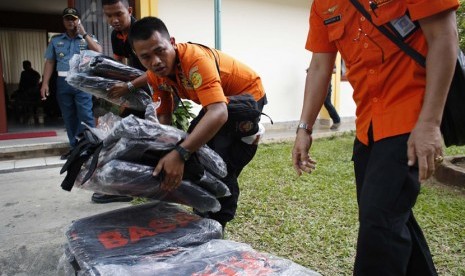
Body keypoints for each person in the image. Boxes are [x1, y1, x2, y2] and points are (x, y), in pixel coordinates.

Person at [292, 1, 459, 275]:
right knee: (389, 221)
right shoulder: (323, 4)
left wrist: (429, 123)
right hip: (368, 129)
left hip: (410, 118)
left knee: (379, 227)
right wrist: (304, 128)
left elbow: (444, 37)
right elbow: (321, 66)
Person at [129, 16, 268, 231]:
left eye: (160, 50)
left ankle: (217, 224)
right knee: (197, 152)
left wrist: (180, 153)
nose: (155, 61)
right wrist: (165, 149)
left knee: (220, 164)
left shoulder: (195, 60)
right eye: (145, 57)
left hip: (246, 98)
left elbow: (219, 113)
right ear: (138, 57)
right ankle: (204, 210)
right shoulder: (155, 76)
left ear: (172, 42)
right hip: (218, 104)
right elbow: (164, 117)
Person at [90, 0, 147, 204]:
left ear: (129, 11)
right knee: (125, 134)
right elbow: (119, 67)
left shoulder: (143, 31)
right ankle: (125, 187)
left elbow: (158, 70)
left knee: (145, 137)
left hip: (157, 91)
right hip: (135, 92)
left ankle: (143, 185)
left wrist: (129, 87)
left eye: (119, 14)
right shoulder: (116, 35)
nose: (114, 20)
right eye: (109, 15)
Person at [40, 7, 102, 160]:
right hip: (63, 81)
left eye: (73, 19)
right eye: (67, 19)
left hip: (82, 81)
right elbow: (49, 62)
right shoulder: (56, 40)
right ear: (63, 21)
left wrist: (84, 33)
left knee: (86, 115)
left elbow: (99, 52)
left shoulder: (86, 38)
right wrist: (45, 83)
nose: (70, 21)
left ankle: (90, 148)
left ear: (78, 20)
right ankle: (74, 148)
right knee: (68, 116)